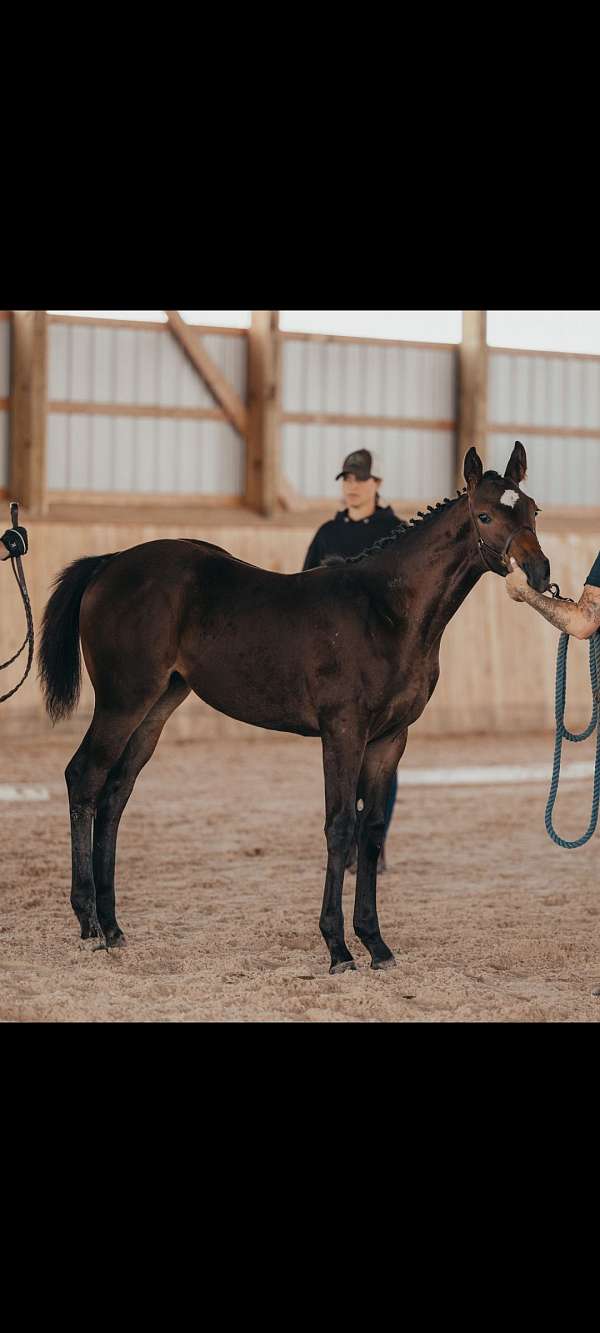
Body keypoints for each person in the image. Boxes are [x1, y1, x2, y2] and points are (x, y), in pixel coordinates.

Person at [303, 449, 401, 869]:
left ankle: (373, 844)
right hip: (338, 664)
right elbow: (305, 589)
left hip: (381, 663)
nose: (352, 485)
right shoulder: (327, 533)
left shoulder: (397, 532)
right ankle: (347, 838)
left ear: (376, 483)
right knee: (345, 755)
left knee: (381, 756)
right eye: (346, 479)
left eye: (360, 479)